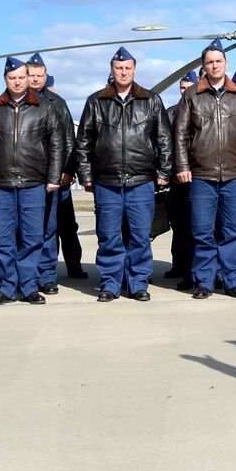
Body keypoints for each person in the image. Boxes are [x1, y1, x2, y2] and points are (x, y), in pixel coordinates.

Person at [77, 47, 173, 301]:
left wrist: (164, 171)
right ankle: (110, 283)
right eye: (119, 68)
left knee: (140, 235)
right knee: (108, 236)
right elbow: (84, 141)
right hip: (106, 181)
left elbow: (164, 138)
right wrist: (86, 175)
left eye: (127, 68)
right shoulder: (96, 101)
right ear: (112, 70)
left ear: (134, 70)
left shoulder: (151, 100)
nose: (123, 72)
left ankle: (138, 283)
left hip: (141, 180)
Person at [0, 57, 66, 305]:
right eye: (12, 78)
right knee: (2, 239)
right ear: (5, 80)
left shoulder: (45, 107)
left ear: (27, 78)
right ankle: (7, 287)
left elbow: (57, 144)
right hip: (1, 184)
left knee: (33, 238)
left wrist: (54, 177)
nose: (17, 82)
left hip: (34, 183)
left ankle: (29, 286)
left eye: (21, 77)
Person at [173, 39, 236, 299]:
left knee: (232, 231)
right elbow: (181, 134)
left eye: (218, 61)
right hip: (202, 175)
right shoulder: (192, 96)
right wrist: (182, 166)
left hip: (234, 175)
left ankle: (231, 279)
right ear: (204, 66)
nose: (214, 65)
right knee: (202, 231)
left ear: (225, 63)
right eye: (210, 62)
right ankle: (204, 281)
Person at [25, 53, 86, 290]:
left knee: (65, 226)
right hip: (31, 176)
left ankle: (71, 266)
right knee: (37, 228)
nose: (36, 79)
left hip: (57, 176)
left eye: (41, 75)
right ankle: (36, 273)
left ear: (46, 77)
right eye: (32, 75)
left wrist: (69, 171)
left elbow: (70, 139)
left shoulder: (57, 103)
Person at [165, 69, 200, 288]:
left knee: (196, 227)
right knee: (178, 226)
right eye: (182, 88)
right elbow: (165, 146)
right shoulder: (170, 113)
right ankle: (179, 264)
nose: (185, 91)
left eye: (189, 88)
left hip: (199, 178)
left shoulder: (203, 109)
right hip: (177, 180)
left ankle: (193, 270)